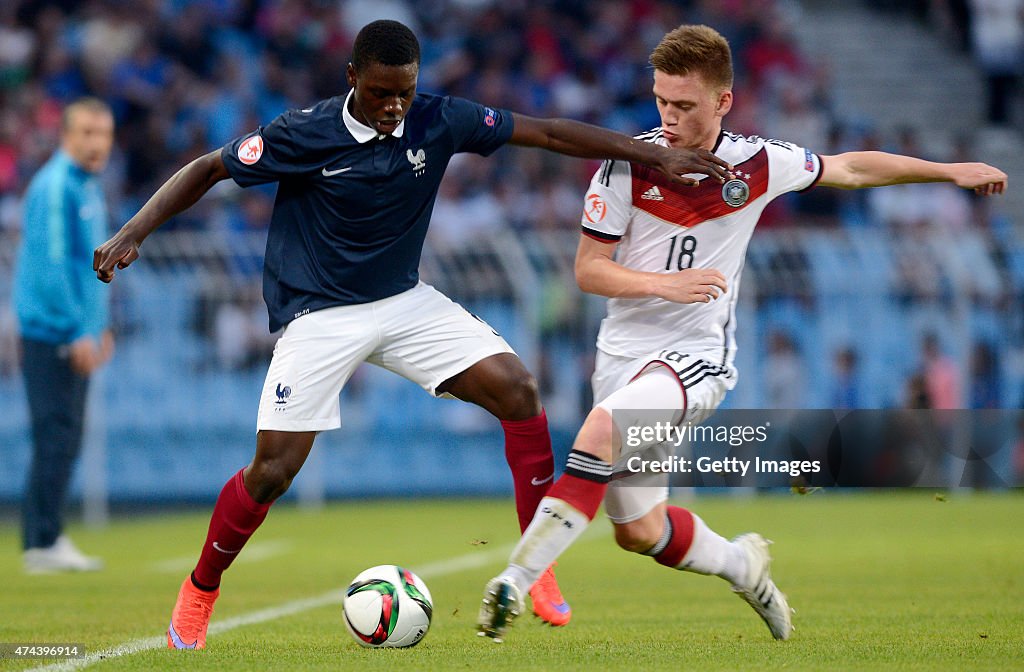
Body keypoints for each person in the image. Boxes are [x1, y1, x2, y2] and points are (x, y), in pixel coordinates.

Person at [91, 20, 732, 650]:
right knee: (273, 471)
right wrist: (133, 231)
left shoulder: (437, 118)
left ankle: (538, 568)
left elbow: (548, 131)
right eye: (379, 93)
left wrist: (649, 152)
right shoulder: (303, 132)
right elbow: (207, 168)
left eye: (403, 91)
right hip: (319, 315)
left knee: (518, 389)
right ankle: (200, 590)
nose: (393, 107)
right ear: (352, 79)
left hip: (403, 301)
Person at [477, 23, 1007, 643]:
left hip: (697, 356)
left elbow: (852, 169)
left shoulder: (758, 163)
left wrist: (947, 172)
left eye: (684, 105)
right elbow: (588, 270)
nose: (668, 117)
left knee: (601, 429)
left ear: (723, 101)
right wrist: (663, 285)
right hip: (622, 355)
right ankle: (744, 566)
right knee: (639, 531)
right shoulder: (626, 167)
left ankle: (516, 579)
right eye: (660, 101)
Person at [14, 97, 115, 574]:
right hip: (51, 330)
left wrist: (100, 328)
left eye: (104, 134)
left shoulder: (86, 187)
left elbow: (90, 266)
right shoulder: (56, 188)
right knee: (55, 435)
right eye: (88, 134)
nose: (97, 144)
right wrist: (79, 329)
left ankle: (47, 537)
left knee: (66, 435)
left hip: (75, 329)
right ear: (67, 137)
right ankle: (41, 541)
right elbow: (53, 268)